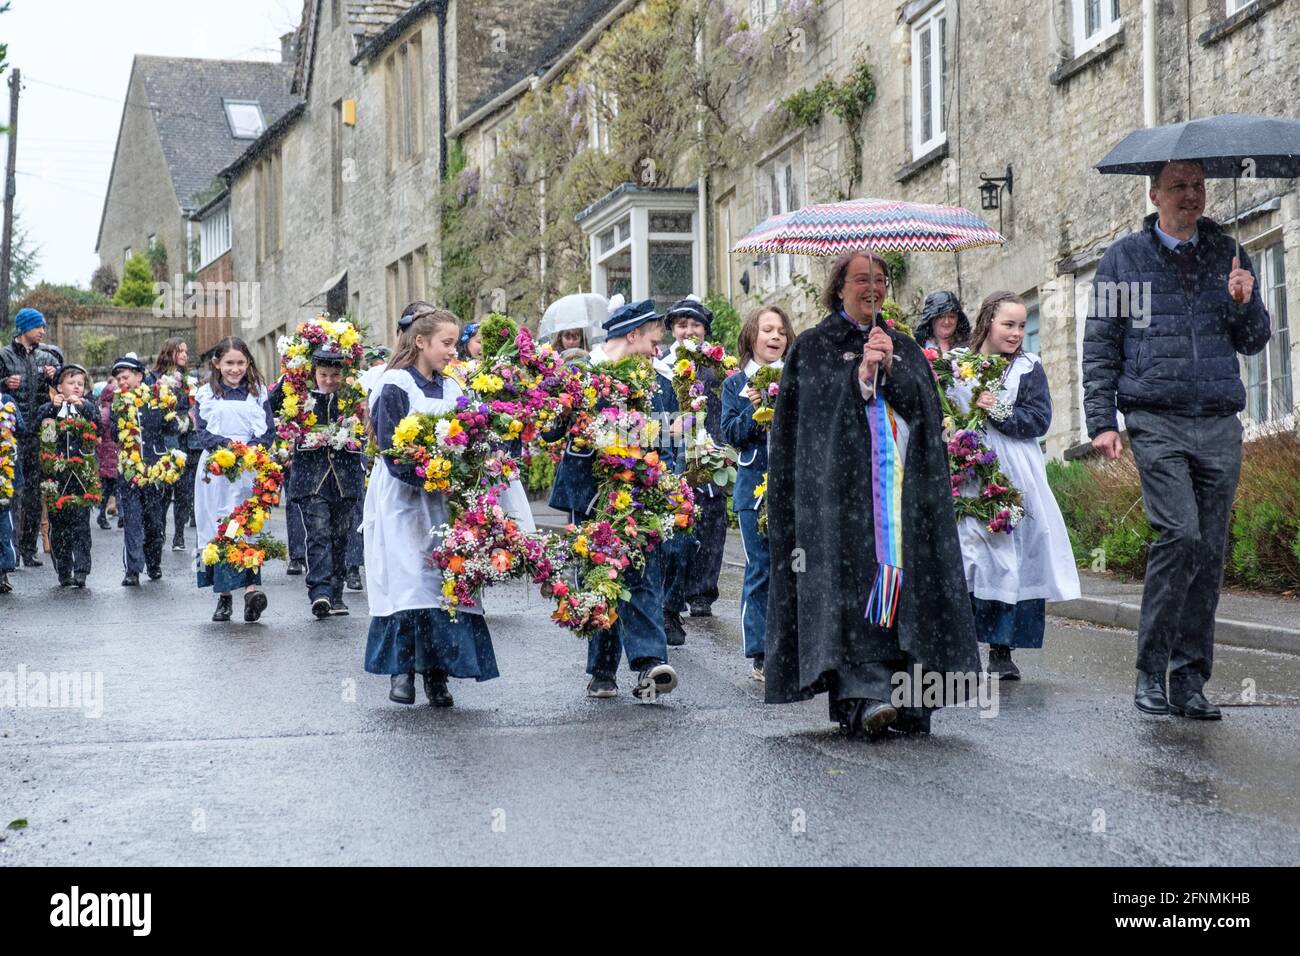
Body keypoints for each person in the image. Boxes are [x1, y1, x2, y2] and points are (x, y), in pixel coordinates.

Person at [1083, 158, 1272, 720]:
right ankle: (1150, 669)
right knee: (1181, 536)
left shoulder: (1230, 254)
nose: (1191, 196)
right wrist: (1101, 421)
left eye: (1198, 186)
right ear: (1153, 195)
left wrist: (1247, 301)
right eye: (1179, 187)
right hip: (1155, 417)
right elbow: (1100, 345)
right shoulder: (1124, 260)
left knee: (1209, 552)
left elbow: (1255, 341)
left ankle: (1189, 678)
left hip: (1217, 419)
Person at [764, 250, 981, 737]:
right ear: (839, 287)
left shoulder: (902, 345)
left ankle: (910, 697)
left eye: (879, 279)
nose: (872, 288)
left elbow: (926, 413)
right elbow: (810, 429)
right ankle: (862, 695)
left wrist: (892, 370)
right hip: (840, 502)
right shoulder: (814, 348)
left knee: (908, 588)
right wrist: (860, 378)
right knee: (852, 591)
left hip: (906, 499)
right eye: (861, 279)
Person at [544, 297, 681, 701]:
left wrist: (669, 483)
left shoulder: (660, 383)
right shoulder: (581, 372)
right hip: (588, 494)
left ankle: (650, 664)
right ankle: (603, 669)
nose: (658, 348)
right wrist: (564, 407)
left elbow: (673, 438)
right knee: (601, 576)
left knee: (642, 575)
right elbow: (550, 431)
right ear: (632, 334)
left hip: (640, 491)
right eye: (652, 338)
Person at [362, 308, 498, 707]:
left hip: (442, 499)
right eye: (446, 343)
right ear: (420, 342)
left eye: (455, 343)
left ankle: (438, 674)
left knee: (444, 582)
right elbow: (390, 447)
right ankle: (400, 671)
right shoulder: (394, 385)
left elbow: (470, 437)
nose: (453, 351)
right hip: (403, 499)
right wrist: (428, 475)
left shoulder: (454, 388)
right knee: (406, 582)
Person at [947, 292, 1080, 679]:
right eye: (1009, 324)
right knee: (971, 556)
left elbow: (1039, 419)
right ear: (988, 320)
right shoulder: (957, 365)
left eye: (1022, 326)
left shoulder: (1028, 367)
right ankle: (959, 647)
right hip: (967, 467)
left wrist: (1001, 411)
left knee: (1009, 555)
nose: (1017, 333)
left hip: (1014, 468)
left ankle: (1001, 650)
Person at [720, 305, 793, 681]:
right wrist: (754, 407)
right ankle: (761, 652)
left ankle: (796, 646)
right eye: (767, 329)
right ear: (752, 336)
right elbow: (731, 433)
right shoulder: (735, 384)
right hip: (754, 492)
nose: (775, 336)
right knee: (762, 567)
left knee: (796, 566)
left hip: (794, 487)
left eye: (781, 330)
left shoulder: (797, 378)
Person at [271, 344, 366, 620]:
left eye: (334, 375)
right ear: (313, 373)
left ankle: (336, 594)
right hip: (312, 478)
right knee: (319, 532)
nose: (329, 381)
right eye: (323, 374)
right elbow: (272, 402)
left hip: (345, 476)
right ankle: (320, 592)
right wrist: (291, 372)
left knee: (340, 535)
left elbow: (365, 423)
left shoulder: (352, 396)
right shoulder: (299, 395)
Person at [657, 296, 729, 629]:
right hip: (675, 454)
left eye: (695, 324)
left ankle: (703, 592)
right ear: (672, 329)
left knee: (712, 521)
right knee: (679, 523)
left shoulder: (718, 364)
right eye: (682, 325)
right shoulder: (661, 365)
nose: (689, 331)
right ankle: (675, 591)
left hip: (712, 449)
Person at [193, 337, 276, 623]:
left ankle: (251, 592)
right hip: (217, 469)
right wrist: (230, 448)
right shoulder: (205, 394)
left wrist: (249, 451)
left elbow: (267, 432)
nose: (235, 369)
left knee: (245, 523)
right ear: (217, 363)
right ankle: (224, 596)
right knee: (221, 525)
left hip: (248, 469)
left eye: (241, 363)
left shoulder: (257, 393)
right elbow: (203, 434)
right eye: (229, 363)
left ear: (248, 363)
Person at [110, 356, 180, 586]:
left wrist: (170, 406)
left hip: (155, 468)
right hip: (129, 469)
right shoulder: (118, 402)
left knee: (154, 522)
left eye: (125, 376)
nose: (122, 381)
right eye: (118, 378)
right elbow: (113, 434)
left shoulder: (157, 396)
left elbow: (171, 428)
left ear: (139, 376)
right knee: (132, 519)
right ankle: (132, 569)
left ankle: (154, 563)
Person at [1, 308, 62, 567]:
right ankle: (9, 550)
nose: (43, 331)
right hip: (11, 435)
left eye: (44, 327)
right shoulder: (3, 355)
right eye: (38, 326)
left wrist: (55, 375)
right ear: (23, 328)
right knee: (11, 492)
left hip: (38, 432)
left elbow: (66, 383)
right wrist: (4, 383)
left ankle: (29, 549)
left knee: (35, 494)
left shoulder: (45, 356)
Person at [34, 364, 100, 588]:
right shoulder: (50, 408)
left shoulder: (87, 407)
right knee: (59, 526)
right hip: (56, 475)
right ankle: (63, 570)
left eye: (80, 384)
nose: (77, 387)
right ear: (60, 386)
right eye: (71, 383)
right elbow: (37, 428)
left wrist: (86, 407)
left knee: (81, 524)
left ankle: (82, 569)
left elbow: (99, 426)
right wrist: (52, 409)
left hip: (81, 475)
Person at [151, 337, 196, 552]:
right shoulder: (157, 379)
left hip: (186, 441)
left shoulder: (189, 381)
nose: (185, 355)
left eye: (186, 351)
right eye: (180, 351)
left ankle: (179, 535)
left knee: (184, 492)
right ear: (170, 353)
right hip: (166, 440)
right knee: (164, 491)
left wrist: (191, 417)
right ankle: (159, 531)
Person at [0, 388, 24, 594]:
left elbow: (22, 429)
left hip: (4, 475)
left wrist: (10, 417)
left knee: (4, 526)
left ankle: (4, 570)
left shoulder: (6, 401)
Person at [95, 380, 122, 531]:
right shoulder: (108, 412)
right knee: (112, 488)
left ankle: (106, 516)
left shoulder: (107, 410)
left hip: (110, 455)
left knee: (112, 488)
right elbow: (101, 432)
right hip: (109, 455)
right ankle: (104, 516)